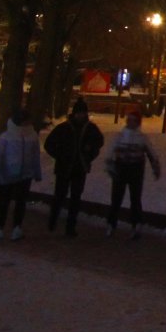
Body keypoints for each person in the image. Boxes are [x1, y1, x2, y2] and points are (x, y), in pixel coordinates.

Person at [45, 98, 105, 236]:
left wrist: (89, 154)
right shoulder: (65, 128)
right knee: (60, 196)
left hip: (79, 167)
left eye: (82, 113)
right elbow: (49, 144)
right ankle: (53, 221)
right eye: (78, 113)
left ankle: (70, 226)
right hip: (65, 167)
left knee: (75, 197)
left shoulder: (89, 129)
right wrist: (60, 155)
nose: (80, 116)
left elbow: (99, 142)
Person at [102, 110, 161, 239]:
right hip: (121, 170)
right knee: (116, 199)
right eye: (129, 120)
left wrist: (156, 167)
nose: (130, 122)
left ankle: (135, 224)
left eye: (133, 120)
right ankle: (112, 224)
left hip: (135, 171)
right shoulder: (120, 136)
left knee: (135, 199)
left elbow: (152, 154)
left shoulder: (141, 138)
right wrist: (110, 165)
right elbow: (110, 152)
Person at [0, 106, 43, 241]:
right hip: (7, 174)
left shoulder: (32, 135)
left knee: (20, 202)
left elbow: (35, 155)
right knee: (4, 203)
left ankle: (16, 227)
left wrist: (37, 172)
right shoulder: (6, 137)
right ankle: (0, 228)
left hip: (25, 174)